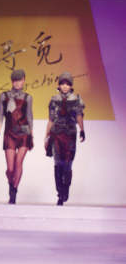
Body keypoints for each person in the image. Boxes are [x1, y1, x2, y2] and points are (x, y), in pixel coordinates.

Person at [44, 72, 85, 205]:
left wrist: (82, 130)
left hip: (70, 135)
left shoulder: (76, 99)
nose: (65, 86)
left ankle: (65, 188)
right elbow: (51, 119)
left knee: (67, 165)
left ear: (71, 85)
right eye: (62, 84)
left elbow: (79, 115)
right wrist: (46, 137)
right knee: (57, 164)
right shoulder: (54, 99)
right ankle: (60, 194)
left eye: (67, 84)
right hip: (56, 134)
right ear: (59, 85)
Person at [0, 69, 33, 204]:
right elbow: (0, 115)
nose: (17, 83)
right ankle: (11, 183)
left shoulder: (27, 98)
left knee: (18, 162)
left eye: (20, 80)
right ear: (12, 81)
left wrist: (32, 136)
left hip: (24, 133)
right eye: (15, 80)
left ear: (24, 81)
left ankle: (14, 191)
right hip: (9, 133)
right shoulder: (4, 96)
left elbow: (29, 117)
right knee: (10, 168)